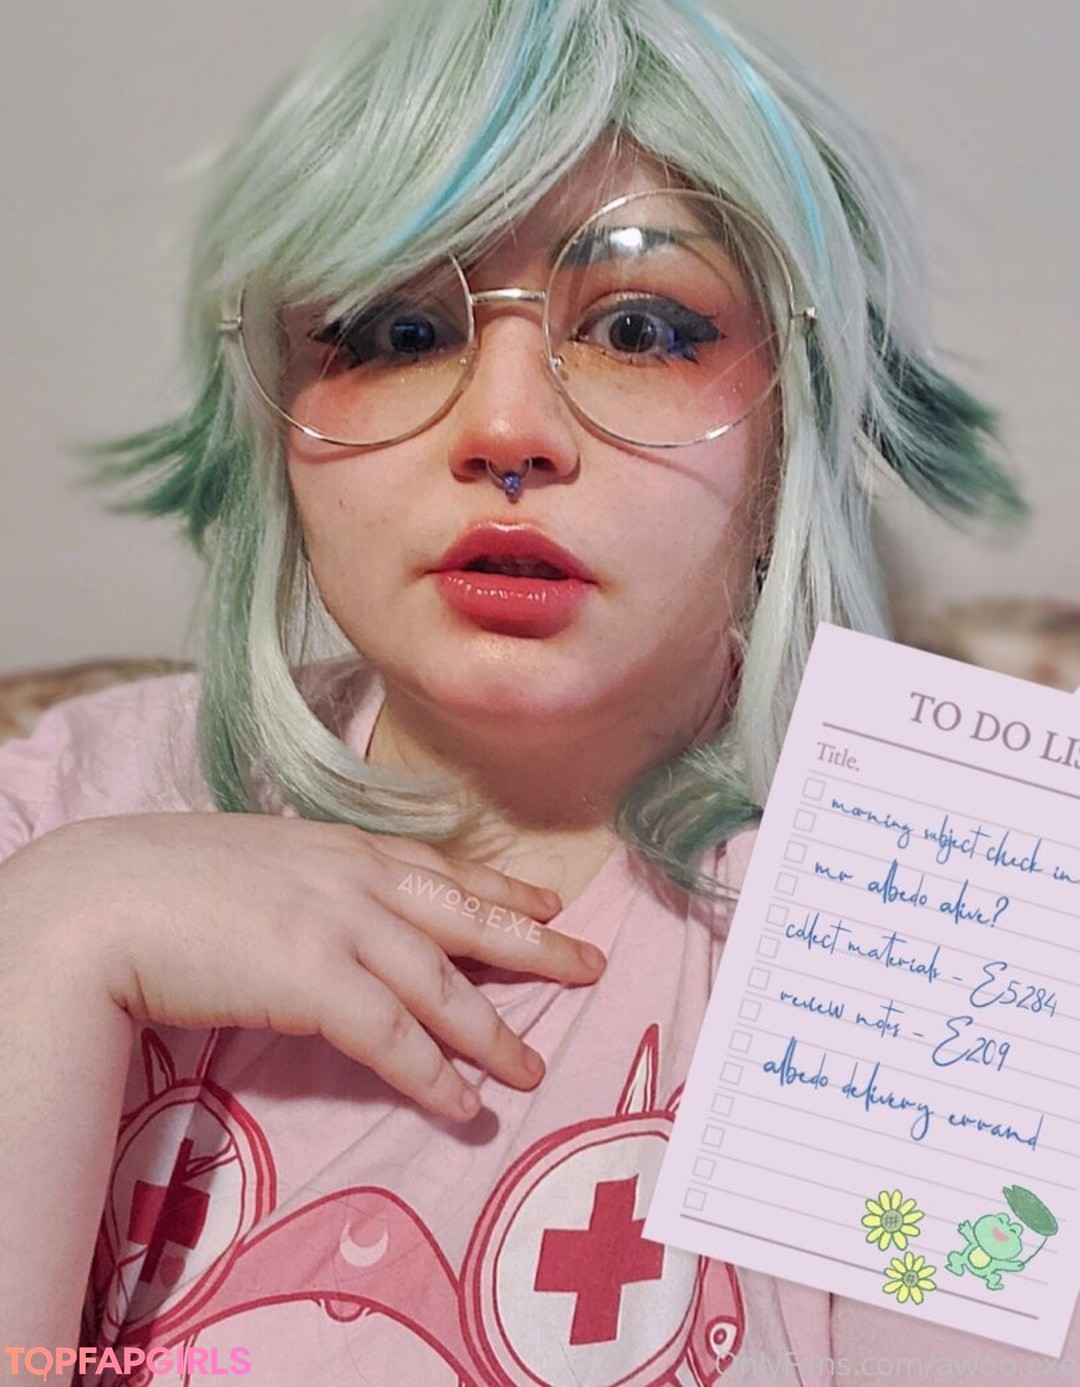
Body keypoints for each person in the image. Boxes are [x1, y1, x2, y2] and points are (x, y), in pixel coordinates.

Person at [0, 0, 1054, 1382]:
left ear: (795, 416)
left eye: (642, 327)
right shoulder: (57, 815)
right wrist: (54, 943)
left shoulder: (950, 909)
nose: (506, 430)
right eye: (394, 329)